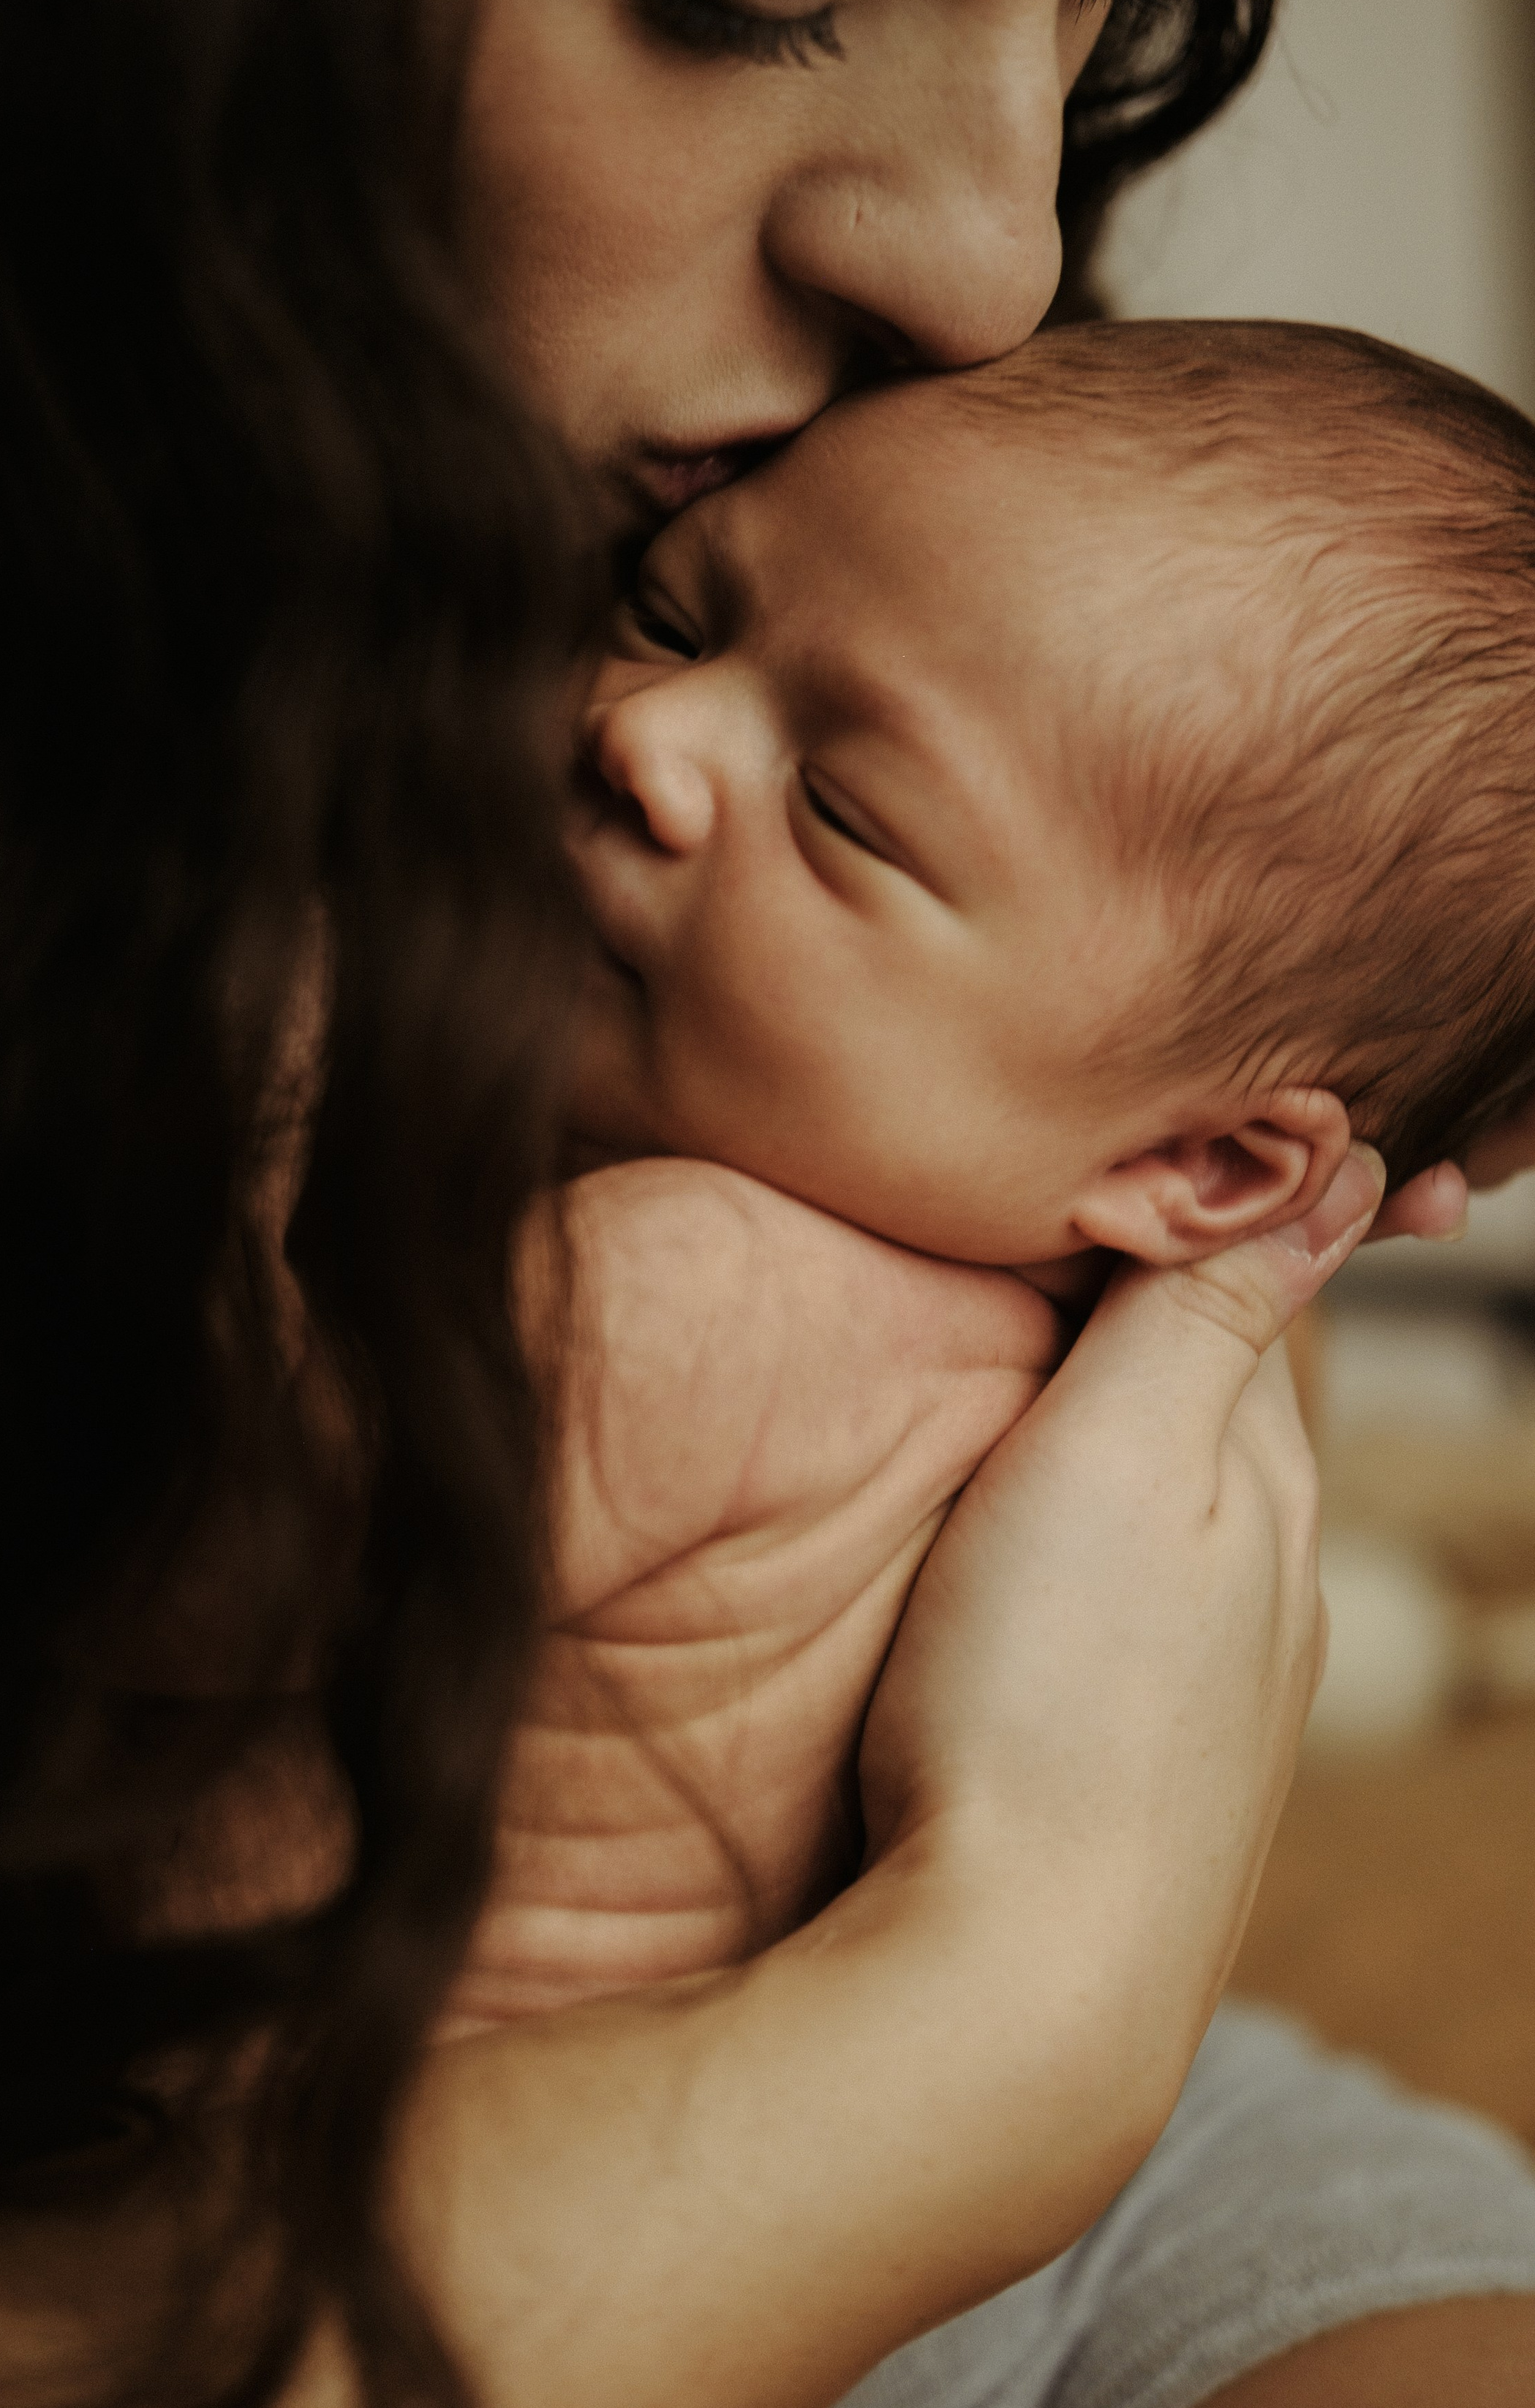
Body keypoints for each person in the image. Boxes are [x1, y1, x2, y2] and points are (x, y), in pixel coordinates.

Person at [0, 0, 1527, 2408]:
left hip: (953, 2254)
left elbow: (213, 1547)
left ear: (1212, 1157)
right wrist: (1005, 2015)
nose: (1001, 260)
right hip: (435, 2283)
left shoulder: (727, 1247)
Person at [458, 314, 1535, 2020]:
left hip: (486, 2140)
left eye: (845, 815)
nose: (646, 736)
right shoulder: (1039, 1291)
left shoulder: (700, 1291)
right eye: (667, 615)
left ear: (1208, 1164)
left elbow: (146, 1564)